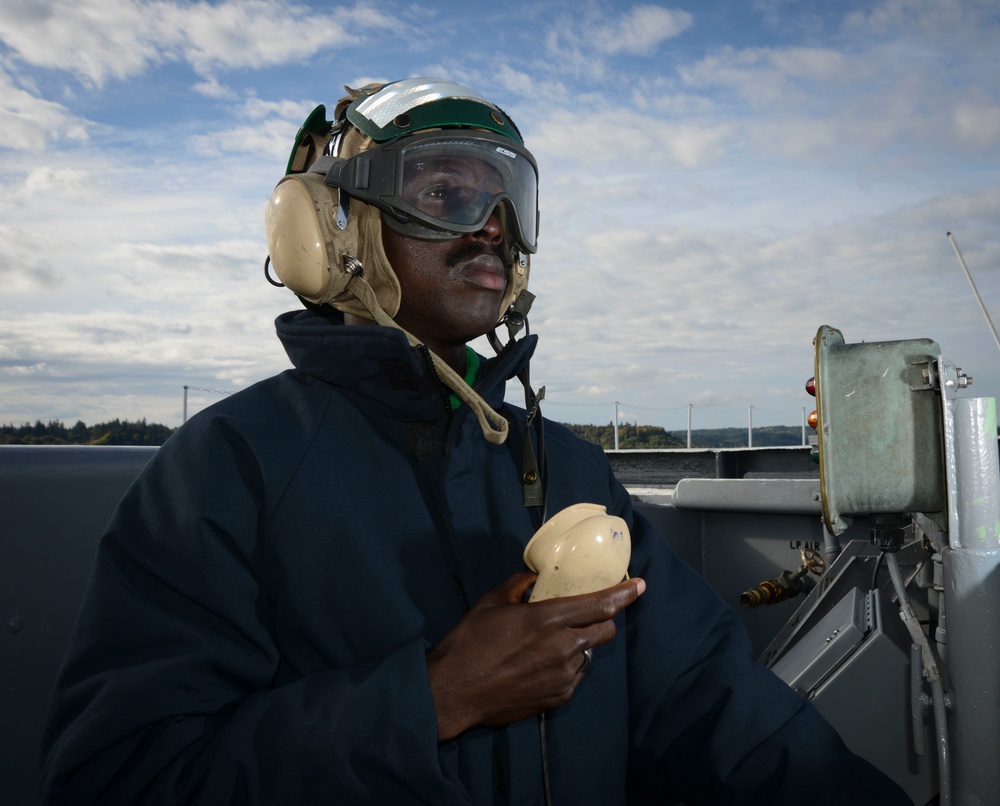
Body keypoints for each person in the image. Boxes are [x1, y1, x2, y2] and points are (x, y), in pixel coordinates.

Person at [41, 78, 912, 804]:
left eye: (508, 198)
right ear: (331, 230)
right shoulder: (230, 466)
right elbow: (121, 777)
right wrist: (428, 701)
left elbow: (718, 714)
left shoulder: (566, 469)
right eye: (446, 193)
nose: (492, 225)